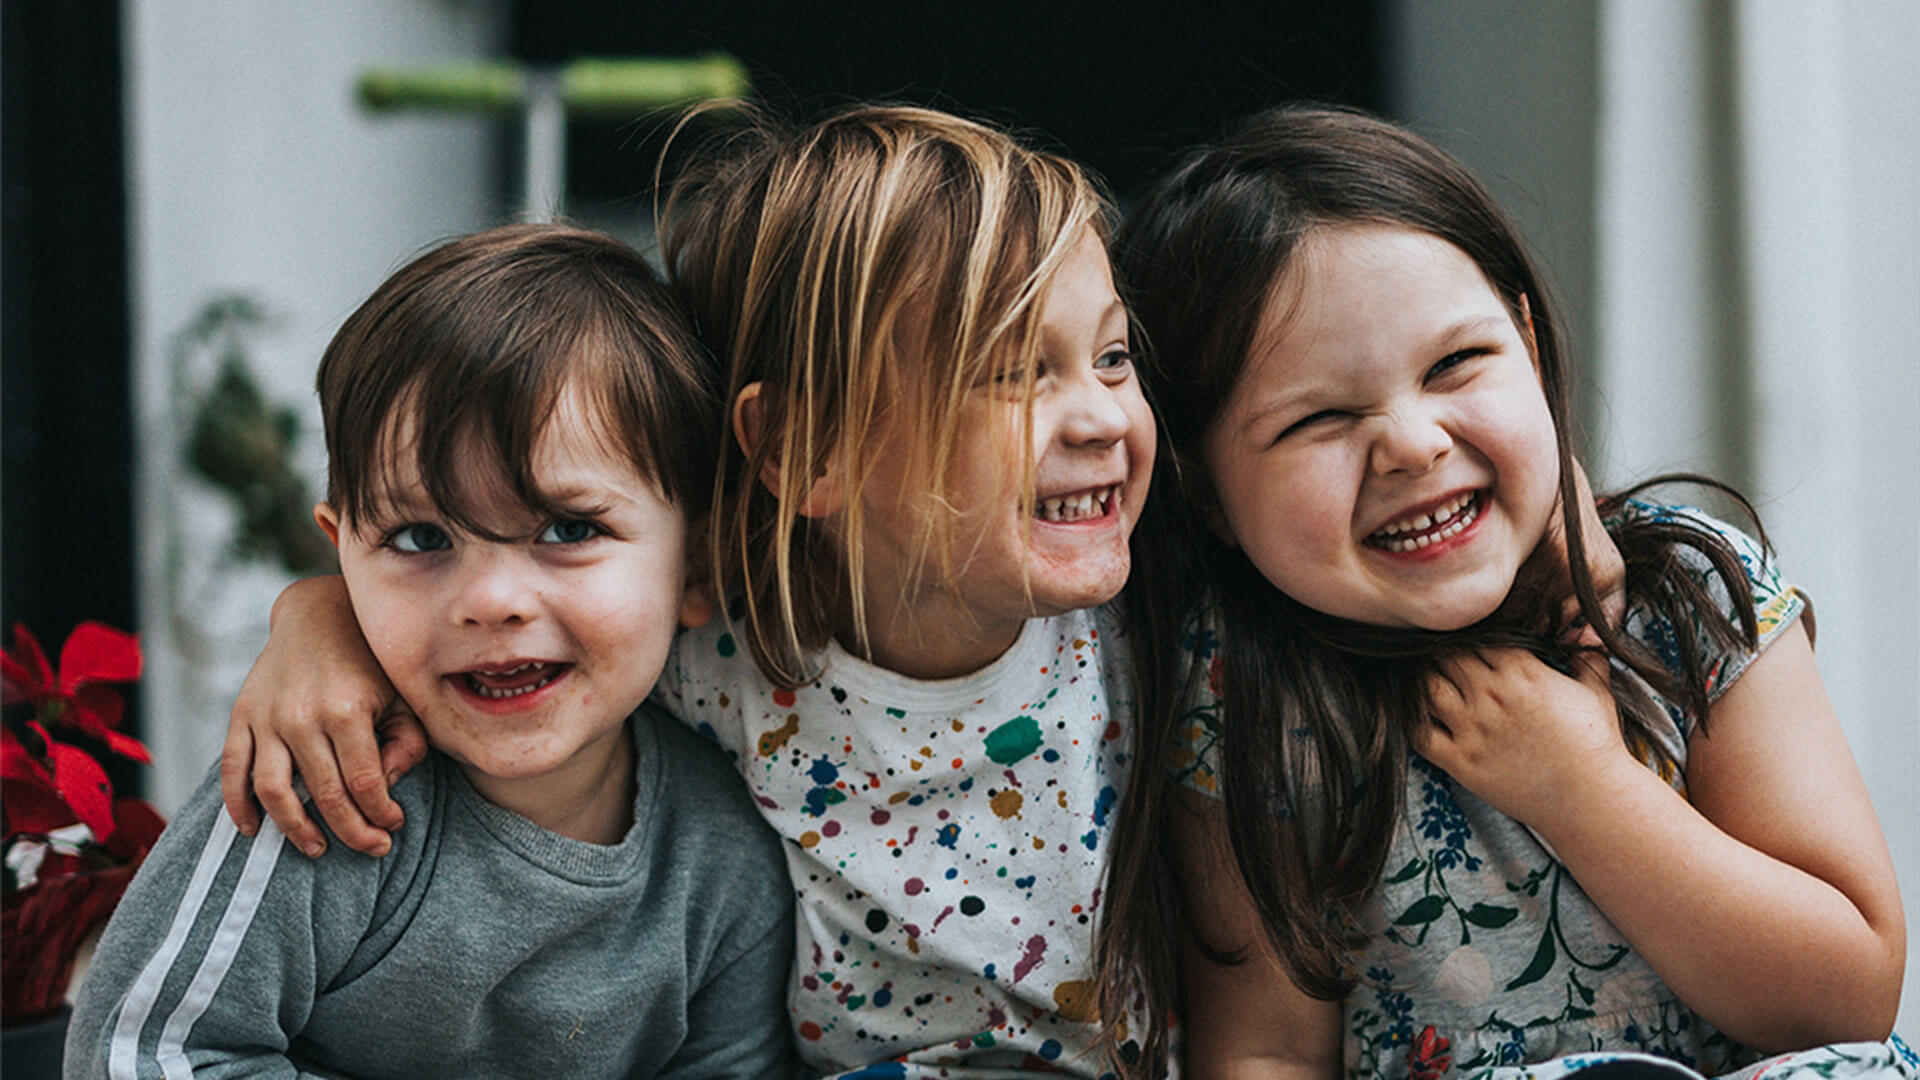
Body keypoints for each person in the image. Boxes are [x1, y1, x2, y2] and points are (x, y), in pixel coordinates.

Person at [213, 107, 1159, 1075]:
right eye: (1008, 370)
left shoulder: (1164, 633)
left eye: (1115, 356)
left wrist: (315, 616)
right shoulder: (711, 646)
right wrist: (323, 618)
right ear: (803, 450)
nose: (1098, 415)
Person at [1095, 104, 1912, 1080]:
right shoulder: (1241, 694)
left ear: (1526, 338)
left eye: (1456, 364)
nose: (1413, 442)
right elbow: (1267, 1048)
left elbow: (1849, 999)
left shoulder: (1688, 591)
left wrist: (1587, 792)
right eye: (1320, 418)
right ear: (1207, 493)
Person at [66, 225, 798, 1079]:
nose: (491, 601)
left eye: (570, 528)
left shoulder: (724, 863)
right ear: (342, 555)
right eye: (421, 537)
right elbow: (140, 1055)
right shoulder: (324, 794)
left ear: (699, 564)